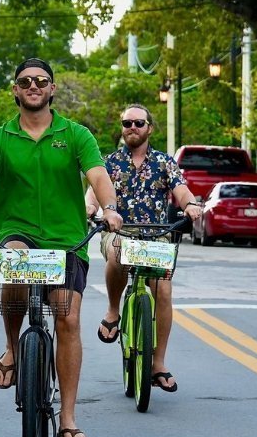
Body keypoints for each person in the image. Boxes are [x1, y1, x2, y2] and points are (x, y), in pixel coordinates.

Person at [0, 58, 122, 437]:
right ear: (15, 89)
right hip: (17, 231)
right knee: (13, 263)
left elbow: (97, 175)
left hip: (66, 238)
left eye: (41, 81)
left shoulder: (76, 134)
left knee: (68, 319)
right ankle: (13, 348)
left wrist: (110, 208)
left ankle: (68, 418)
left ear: (52, 89)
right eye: (25, 81)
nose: (33, 86)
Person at [85, 103, 201, 392]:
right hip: (119, 232)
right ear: (122, 128)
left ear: (150, 128)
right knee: (117, 252)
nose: (132, 128)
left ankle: (158, 363)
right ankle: (113, 311)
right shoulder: (109, 163)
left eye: (138, 123)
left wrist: (190, 205)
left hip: (156, 237)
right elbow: (93, 194)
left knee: (163, 289)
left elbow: (181, 190)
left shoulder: (165, 163)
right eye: (127, 123)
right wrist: (89, 208)